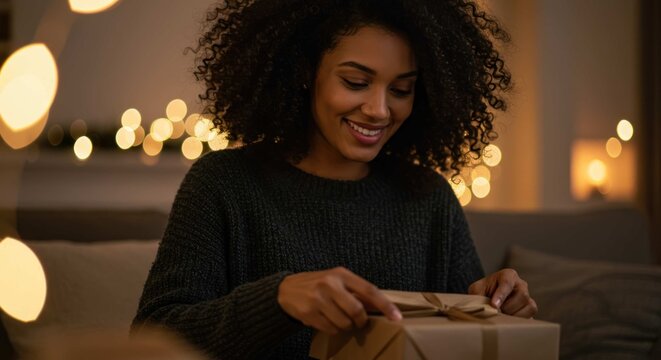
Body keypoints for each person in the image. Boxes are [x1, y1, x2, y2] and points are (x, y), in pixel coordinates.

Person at [132, 0, 538, 359]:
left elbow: (465, 331)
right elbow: (153, 336)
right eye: (355, 83)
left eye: (401, 89)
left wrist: (496, 305)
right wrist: (276, 301)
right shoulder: (223, 184)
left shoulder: (429, 198)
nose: (380, 110)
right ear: (306, 71)